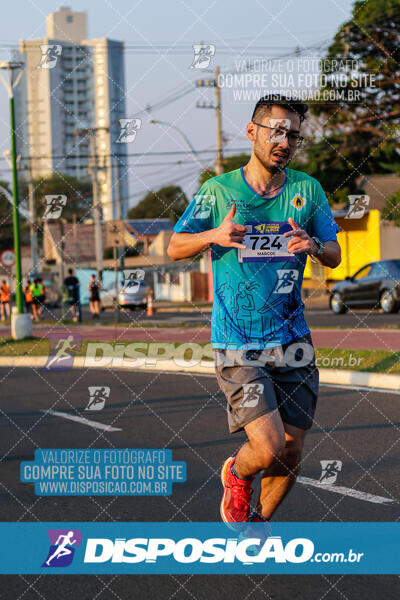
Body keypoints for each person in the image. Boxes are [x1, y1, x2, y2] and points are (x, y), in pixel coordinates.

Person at [168, 94, 341, 527]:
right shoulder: (218, 191)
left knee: (292, 450)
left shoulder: (307, 190)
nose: (285, 142)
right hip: (238, 342)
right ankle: (235, 472)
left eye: (294, 135)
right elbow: (173, 247)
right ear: (253, 132)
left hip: (293, 341)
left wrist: (316, 246)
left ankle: (255, 524)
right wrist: (214, 234)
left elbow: (336, 252)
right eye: (277, 131)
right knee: (266, 449)